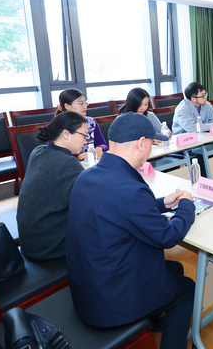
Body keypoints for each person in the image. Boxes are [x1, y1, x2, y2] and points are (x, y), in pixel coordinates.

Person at [66, 112, 195, 349]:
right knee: (187, 288)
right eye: (152, 143)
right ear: (141, 143)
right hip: (112, 303)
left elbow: (119, 208)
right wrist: (187, 205)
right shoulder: (130, 189)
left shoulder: (86, 176)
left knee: (174, 268)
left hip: (89, 288)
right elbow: (168, 236)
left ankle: (151, 319)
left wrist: (161, 203)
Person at [16, 112, 87, 260]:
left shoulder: (38, 152)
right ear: (66, 134)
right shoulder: (68, 163)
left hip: (29, 242)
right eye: (84, 135)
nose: (85, 141)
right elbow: (89, 201)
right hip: (50, 247)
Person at [56, 88, 108, 160]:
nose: (85, 106)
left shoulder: (91, 122)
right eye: (81, 103)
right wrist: (78, 156)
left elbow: (103, 144)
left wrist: (100, 148)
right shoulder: (57, 125)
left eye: (85, 103)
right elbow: (55, 152)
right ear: (67, 106)